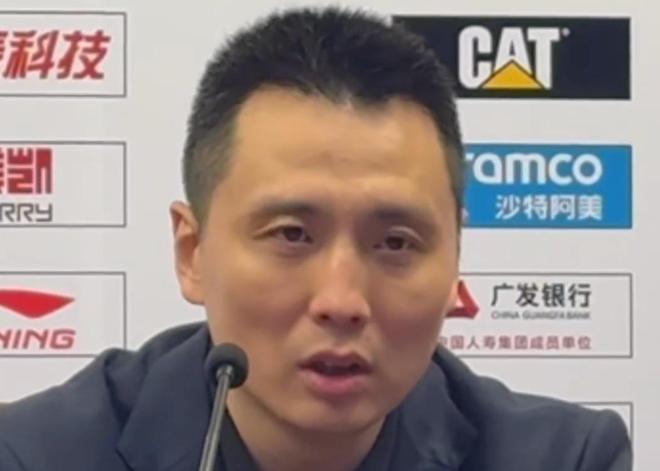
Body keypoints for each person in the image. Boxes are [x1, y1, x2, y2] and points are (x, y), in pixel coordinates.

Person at [0, 7, 631, 471]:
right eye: (292, 235)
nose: (342, 301)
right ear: (192, 254)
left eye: (395, 243)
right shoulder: (36, 454)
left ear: (455, 259)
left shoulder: (563, 459)